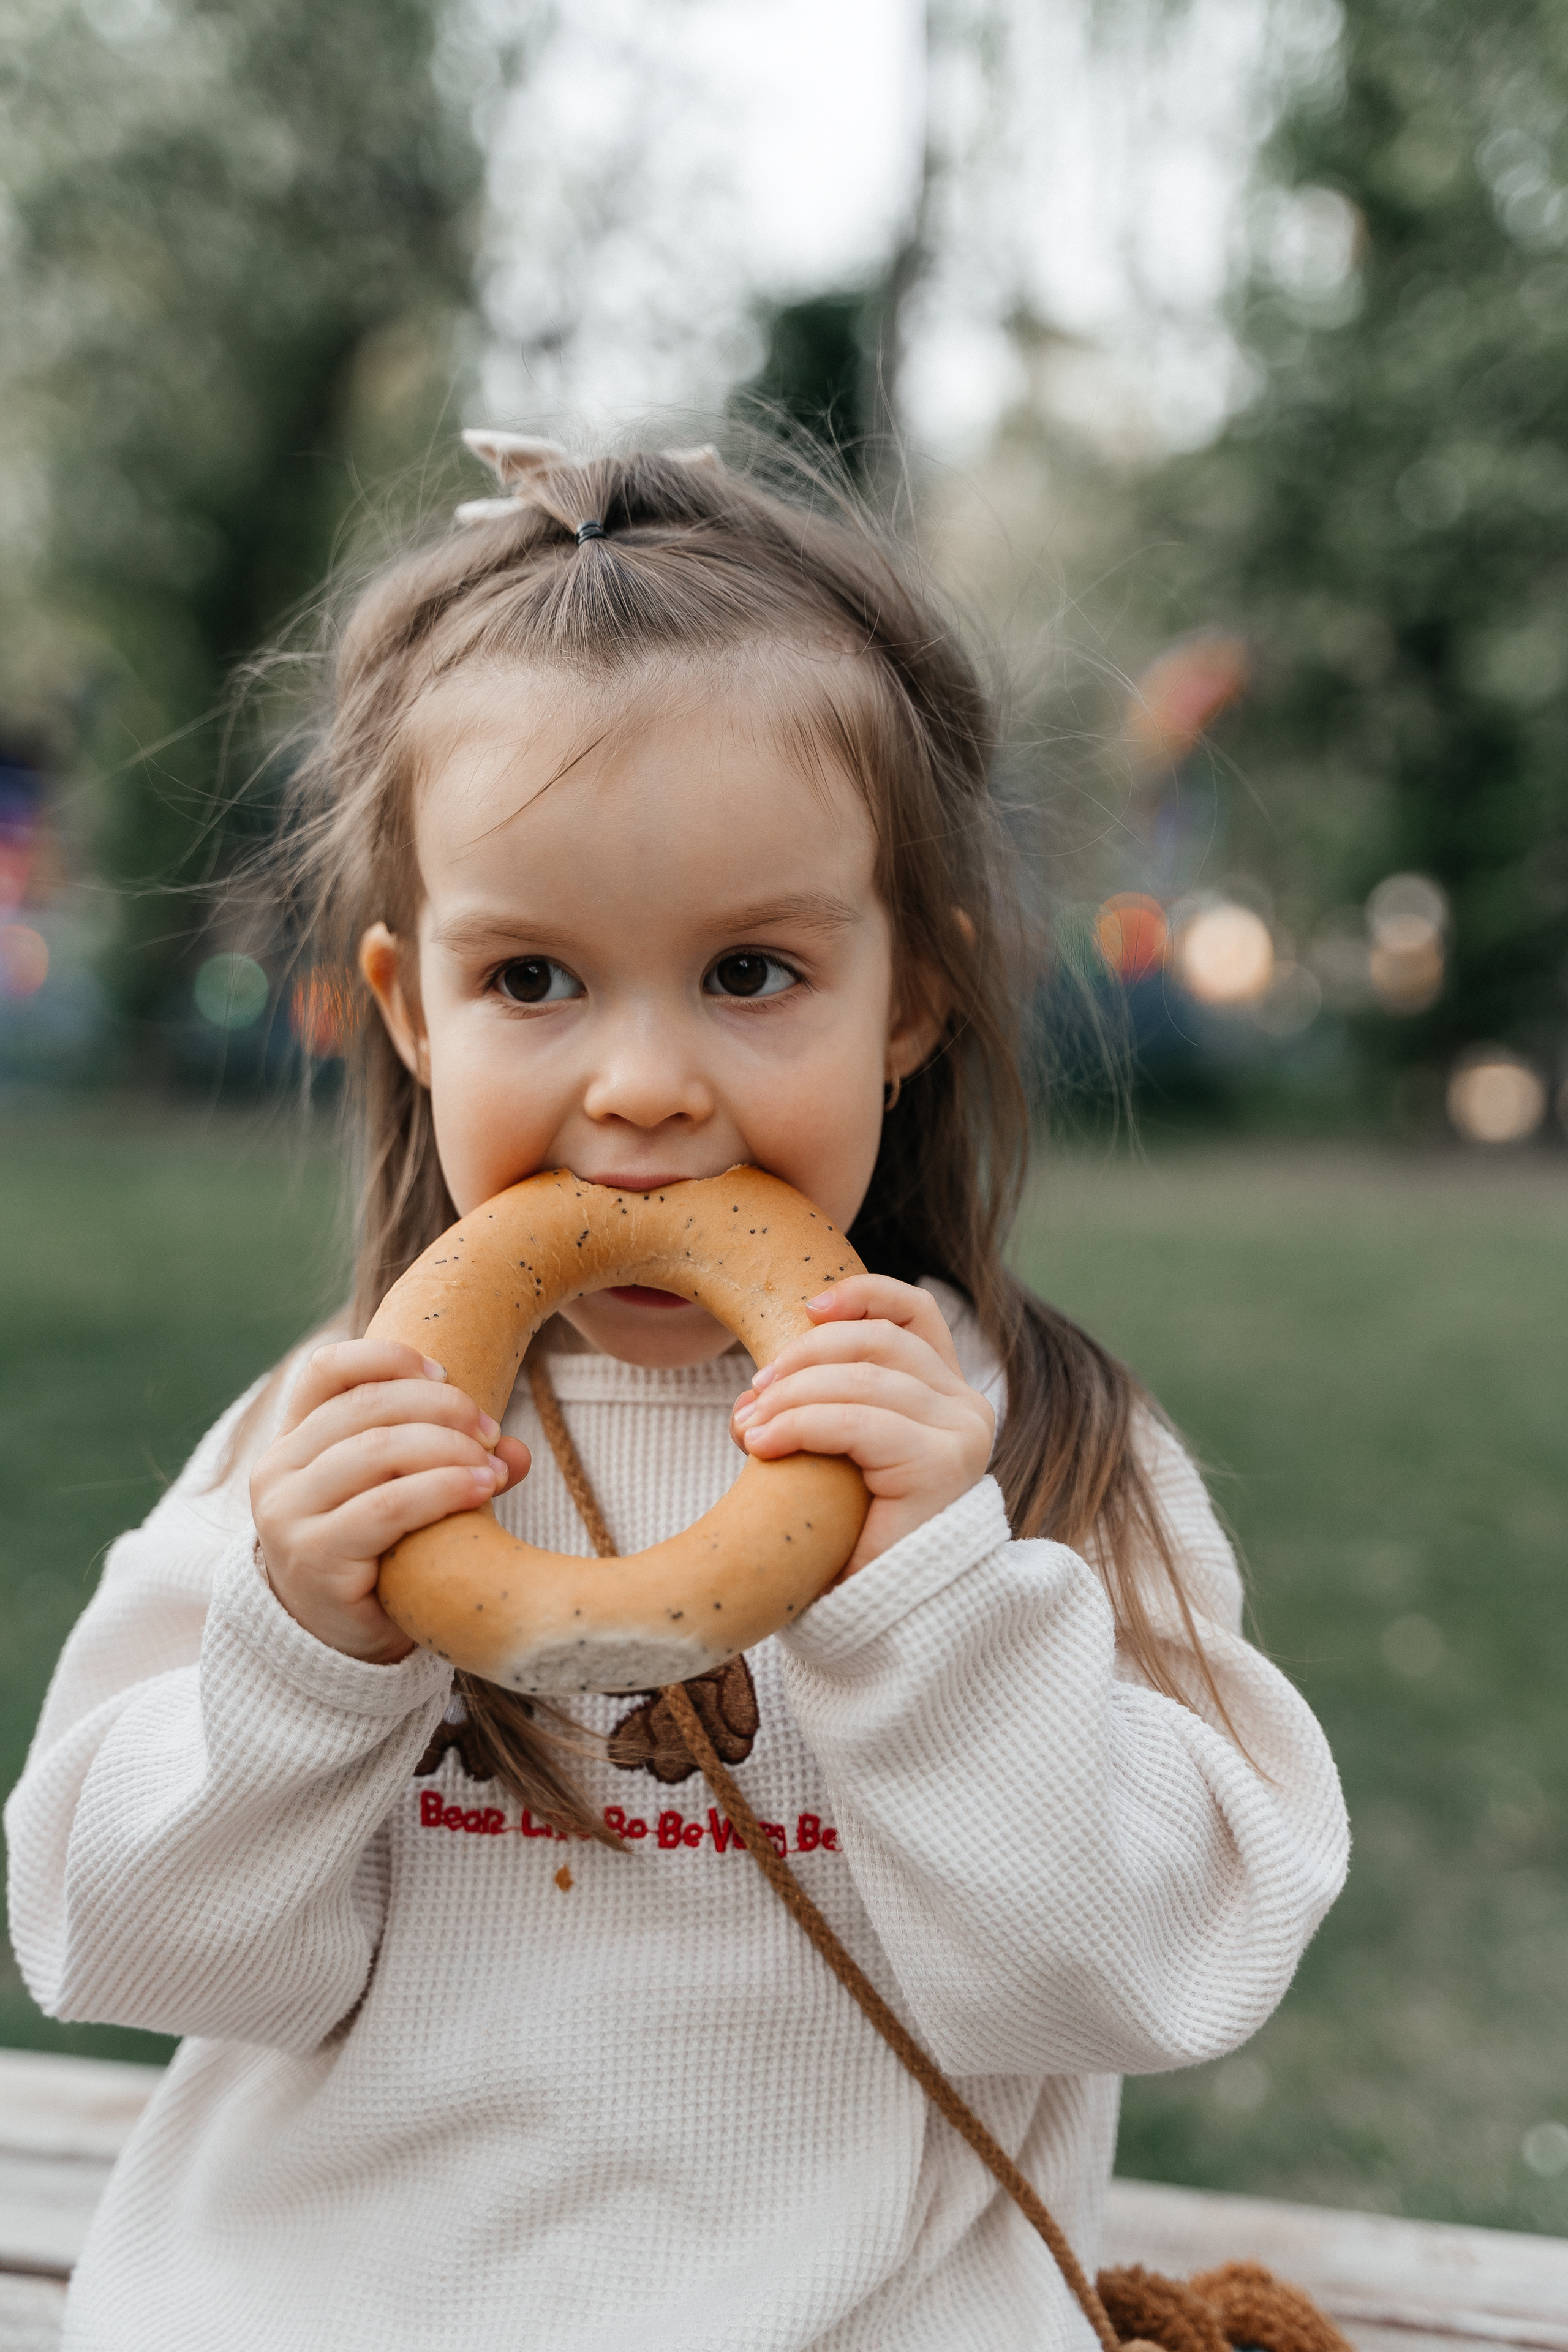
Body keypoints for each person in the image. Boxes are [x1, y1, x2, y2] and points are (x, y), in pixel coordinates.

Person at [6, 442, 1348, 2351]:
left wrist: (938, 1602)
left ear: (909, 998)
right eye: (535, 974)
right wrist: (300, 1649)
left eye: (749, 970)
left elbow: (1153, 1972)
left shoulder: (1036, 1456)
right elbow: (116, 1945)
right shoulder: (328, 1447)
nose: (641, 1081)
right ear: (410, 1006)